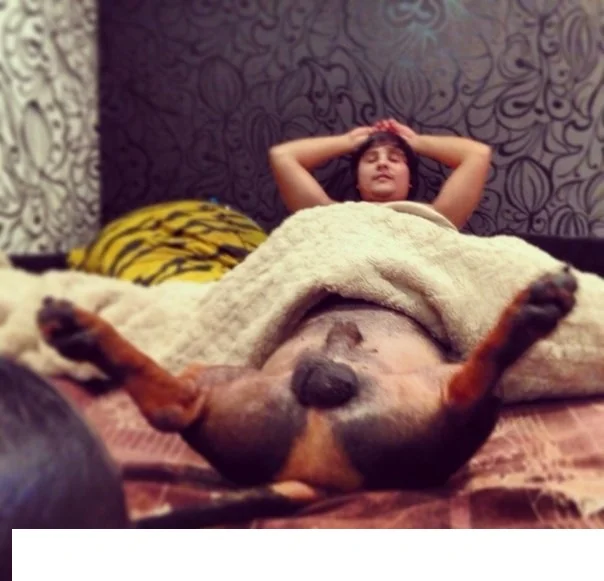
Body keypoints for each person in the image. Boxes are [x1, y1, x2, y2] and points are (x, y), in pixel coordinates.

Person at [268, 118, 492, 230]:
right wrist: (347, 141)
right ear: (357, 182)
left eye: (394, 159)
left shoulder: (435, 218)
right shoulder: (329, 216)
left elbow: (478, 154)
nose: (382, 163)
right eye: (371, 159)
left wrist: (416, 142)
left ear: (410, 182)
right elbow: (283, 156)